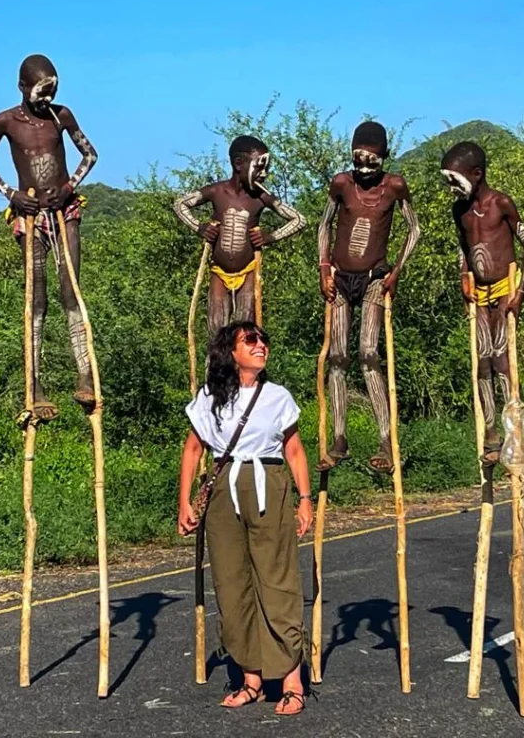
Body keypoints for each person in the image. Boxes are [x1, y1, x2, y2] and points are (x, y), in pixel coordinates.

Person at [177, 322, 314, 716]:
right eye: (250, 341)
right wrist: (185, 502)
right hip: (224, 490)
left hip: (268, 483)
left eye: (263, 340)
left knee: (277, 581)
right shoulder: (209, 397)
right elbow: (192, 450)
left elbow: (295, 451)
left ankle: (291, 681)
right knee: (232, 584)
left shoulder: (277, 397)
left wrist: (304, 501)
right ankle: (250, 679)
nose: (260, 346)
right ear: (230, 352)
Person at [0, 54, 99, 419]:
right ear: (22, 87)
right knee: (38, 297)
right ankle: (35, 386)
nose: (47, 97)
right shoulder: (6, 121)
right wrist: (12, 195)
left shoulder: (62, 116)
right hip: (30, 215)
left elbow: (90, 154)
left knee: (71, 289)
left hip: (64, 211)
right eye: (42, 91)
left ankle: (85, 375)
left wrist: (69, 185)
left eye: (53, 90)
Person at [315, 121, 421, 474]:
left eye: (371, 159)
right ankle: (340, 438)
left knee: (368, 353)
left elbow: (414, 229)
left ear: (383, 156)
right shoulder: (341, 184)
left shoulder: (395, 187)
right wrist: (324, 266)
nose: (363, 165)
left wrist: (396, 272)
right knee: (337, 355)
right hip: (341, 280)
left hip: (375, 278)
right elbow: (324, 225)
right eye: (358, 157)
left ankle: (386, 439)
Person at [441, 141, 524, 470]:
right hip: (478, 296)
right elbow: (463, 248)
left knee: (502, 363)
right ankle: (492, 433)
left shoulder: (502, 204)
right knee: (481, 363)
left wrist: (521, 290)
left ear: (477, 174)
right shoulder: (460, 211)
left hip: (504, 291)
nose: (451, 188)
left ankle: (515, 431)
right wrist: (463, 276)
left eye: (456, 180)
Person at [173, 136, 305, 337]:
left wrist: (270, 237)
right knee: (216, 331)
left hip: (248, 273)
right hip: (219, 272)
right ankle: (215, 368)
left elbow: (299, 219)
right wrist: (199, 227)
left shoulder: (262, 198)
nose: (264, 174)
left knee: (243, 331)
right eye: (259, 167)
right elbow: (180, 204)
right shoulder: (217, 191)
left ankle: (241, 368)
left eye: (266, 168)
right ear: (238, 164)